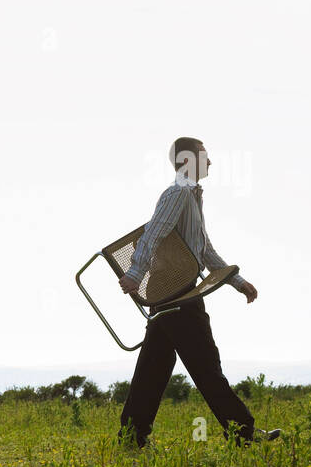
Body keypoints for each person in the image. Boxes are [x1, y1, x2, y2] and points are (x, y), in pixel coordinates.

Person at [117, 137, 279, 447]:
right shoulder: (177, 193)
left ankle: (131, 436)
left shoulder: (191, 196)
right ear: (188, 160)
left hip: (172, 291)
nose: (210, 162)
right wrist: (135, 274)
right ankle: (242, 433)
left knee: (154, 368)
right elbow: (153, 233)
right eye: (205, 156)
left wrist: (236, 280)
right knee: (206, 365)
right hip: (177, 293)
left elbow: (202, 250)